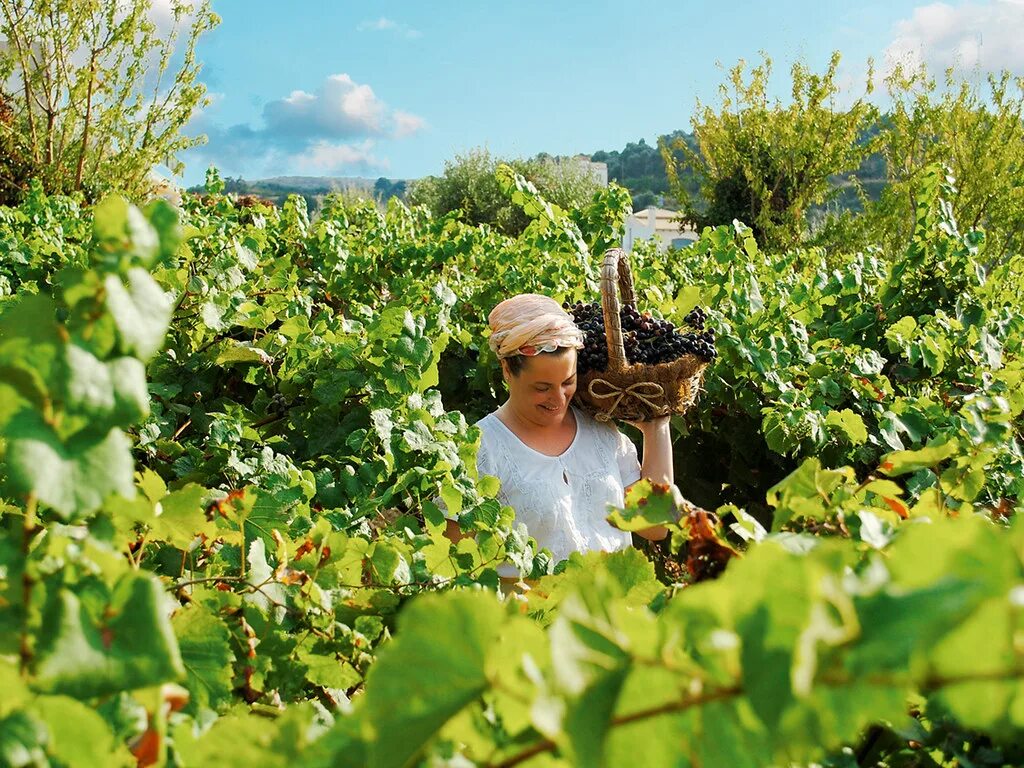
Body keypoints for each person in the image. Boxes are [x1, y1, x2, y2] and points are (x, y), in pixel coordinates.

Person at [445, 293, 672, 591]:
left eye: (568, 382)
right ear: (506, 371)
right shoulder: (481, 449)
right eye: (542, 388)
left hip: (612, 622)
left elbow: (654, 525)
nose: (558, 398)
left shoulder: (601, 431)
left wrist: (656, 430)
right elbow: (454, 566)